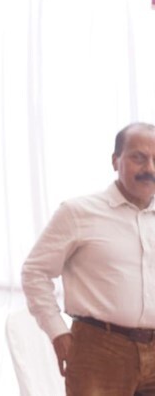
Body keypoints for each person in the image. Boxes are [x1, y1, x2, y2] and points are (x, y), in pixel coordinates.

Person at [21, 122, 155, 395]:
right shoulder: (78, 212)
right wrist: (57, 331)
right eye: (138, 157)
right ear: (115, 160)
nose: (149, 168)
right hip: (99, 351)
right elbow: (35, 272)